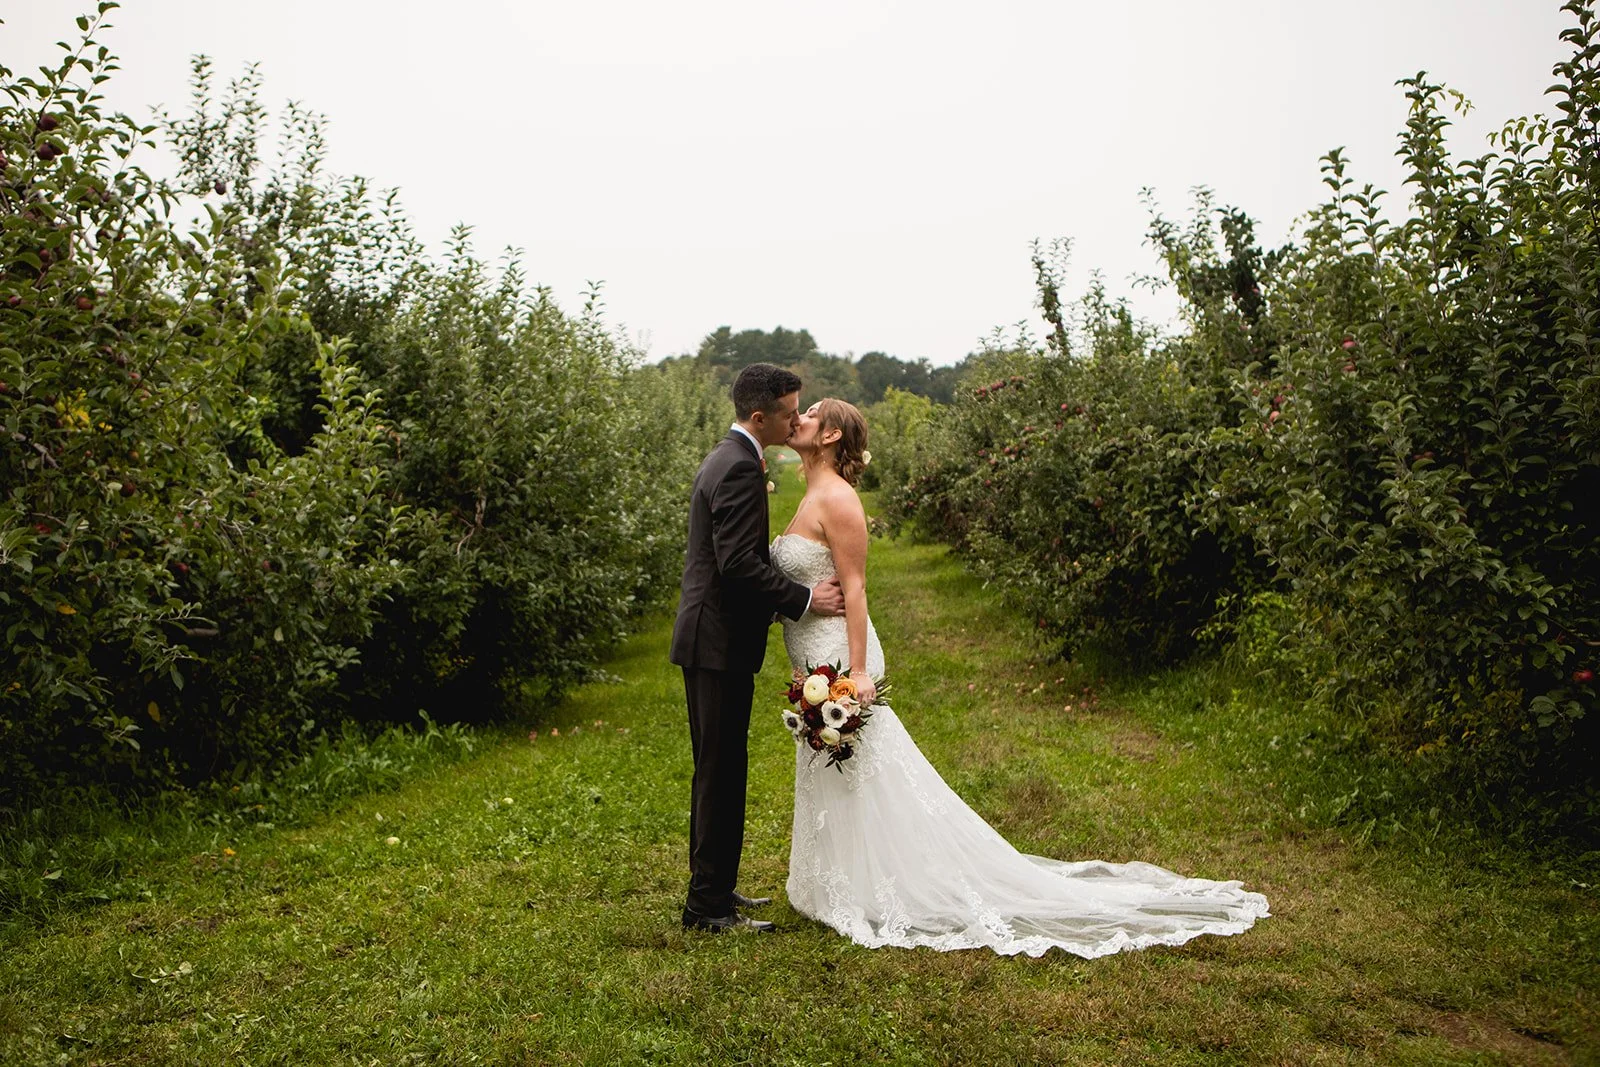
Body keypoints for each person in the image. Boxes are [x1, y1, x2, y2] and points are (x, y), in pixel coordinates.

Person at [772, 398, 1270, 957]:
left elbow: (856, 587)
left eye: (809, 412)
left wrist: (860, 671)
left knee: (860, 772)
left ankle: (881, 886)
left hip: (841, 659)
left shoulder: (838, 498)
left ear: (831, 434)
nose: (799, 418)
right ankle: (836, 882)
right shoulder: (809, 492)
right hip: (813, 655)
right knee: (836, 770)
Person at [670, 364, 846, 933]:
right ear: (758, 416)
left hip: (713, 640)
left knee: (719, 769)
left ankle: (715, 888)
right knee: (720, 773)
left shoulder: (732, 457)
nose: (796, 421)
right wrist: (804, 598)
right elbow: (737, 565)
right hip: (716, 643)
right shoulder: (740, 466)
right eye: (790, 413)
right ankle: (707, 907)